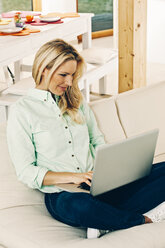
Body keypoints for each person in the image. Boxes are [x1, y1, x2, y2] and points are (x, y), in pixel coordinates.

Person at [7, 39, 165, 239]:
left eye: (72, 75)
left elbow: (97, 141)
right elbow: (26, 171)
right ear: (44, 69)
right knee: (78, 207)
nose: (69, 82)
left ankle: (107, 219)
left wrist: (114, 170)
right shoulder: (22, 111)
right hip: (63, 194)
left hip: (98, 184)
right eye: (63, 75)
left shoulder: (77, 102)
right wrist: (72, 177)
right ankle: (142, 220)